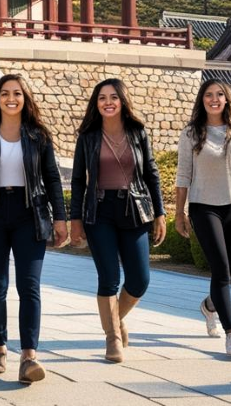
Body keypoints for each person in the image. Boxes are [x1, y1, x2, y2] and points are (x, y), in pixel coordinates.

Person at [0, 74, 68, 384]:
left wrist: (59, 219)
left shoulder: (38, 137)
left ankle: (29, 356)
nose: (11, 98)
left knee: (29, 286)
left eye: (17, 93)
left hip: (29, 214)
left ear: (25, 98)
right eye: (5, 93)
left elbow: (52, 180)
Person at [69, 79, 165, 363]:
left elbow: (151, 173)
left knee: (139, 279)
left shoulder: (137, 132)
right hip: (99, 211)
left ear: (123, 101)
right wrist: (75, 219)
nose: (107, 102)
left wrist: (159, 213)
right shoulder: (87, 136)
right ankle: (112, 337)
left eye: (113, 97)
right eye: (102, 98)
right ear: (95, 104)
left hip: (134, 209)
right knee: (109, 277)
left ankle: (115, 319)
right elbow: (77, 181)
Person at [174, 78, 231, 358]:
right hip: (203, 206)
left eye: (219, 94)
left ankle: (210, 305)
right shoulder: (191, 133)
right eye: (208, 95)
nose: (214, 99)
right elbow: (183, 175)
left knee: (227, 273)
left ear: (227, 99)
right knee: (221, 270)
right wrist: (179, 212)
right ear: (202, 100)